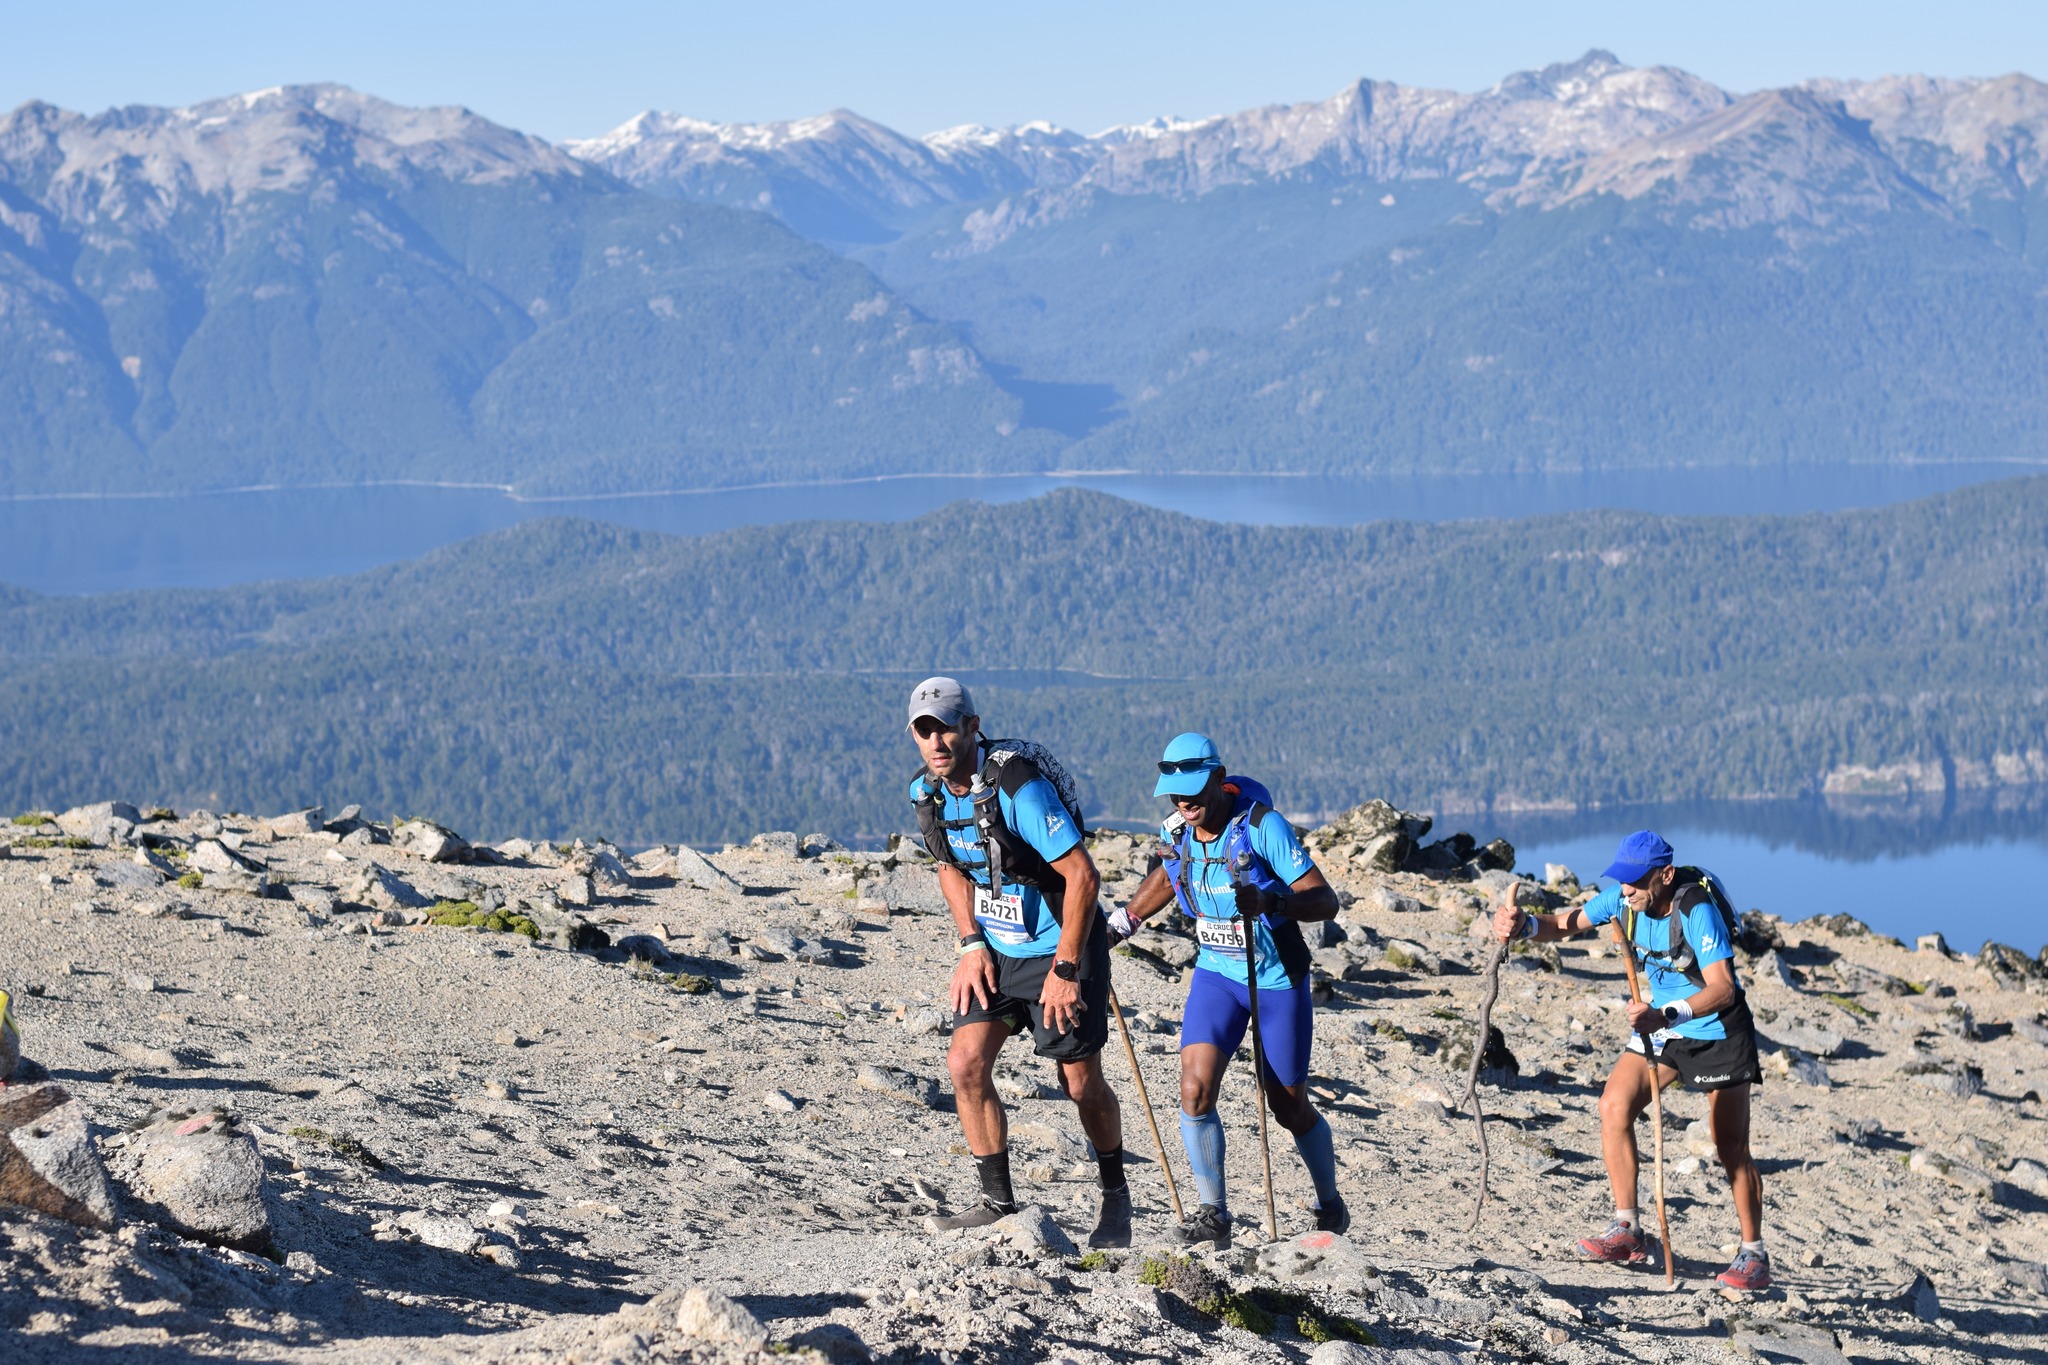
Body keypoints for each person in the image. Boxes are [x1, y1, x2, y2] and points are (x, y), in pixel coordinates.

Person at [904, 676, 1130, 1246]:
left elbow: (1082, 875)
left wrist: (1066, 970)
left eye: (947, 728)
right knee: (965, 1064)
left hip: (1061, 948)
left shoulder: (1018, 788)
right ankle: (997, 1204)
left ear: (972, 728)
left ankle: (1115, 1199)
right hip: (997, 951)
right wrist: (970, 943)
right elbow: (949, 867)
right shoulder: (926, 795)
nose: (936, 742)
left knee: (1080, 1084)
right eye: (923, 731)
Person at [1492, 830, 1769, 1290]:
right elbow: (1564, 924)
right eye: (1621, 880)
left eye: (1635, 882)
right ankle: (1628, 1230)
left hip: (1715, 1029)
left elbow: (1722, 988)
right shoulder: (1622, 901)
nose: (1626, 890)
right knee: (1613, 1106)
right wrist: (1522, 926)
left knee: (1730, 1148)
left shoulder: (1696, 910)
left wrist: (1666, 1013)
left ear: (1664, 875)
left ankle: (1753, 1254)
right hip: (1659, 1027)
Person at [1109, 732, 1345, 1246]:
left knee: (1286, 1105)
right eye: (1174, 792)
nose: (1184, 801)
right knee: (1194, 1091)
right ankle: (1212, 1214)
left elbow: (1325, 901)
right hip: (1217, 974)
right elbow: (1169, 879)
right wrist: (1120, 924)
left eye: (1194, 789)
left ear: (1220, 778)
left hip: (1276, 976)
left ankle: (1330, 1203)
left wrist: (1271, 903)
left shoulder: (1262, 827)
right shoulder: (1177, 831)